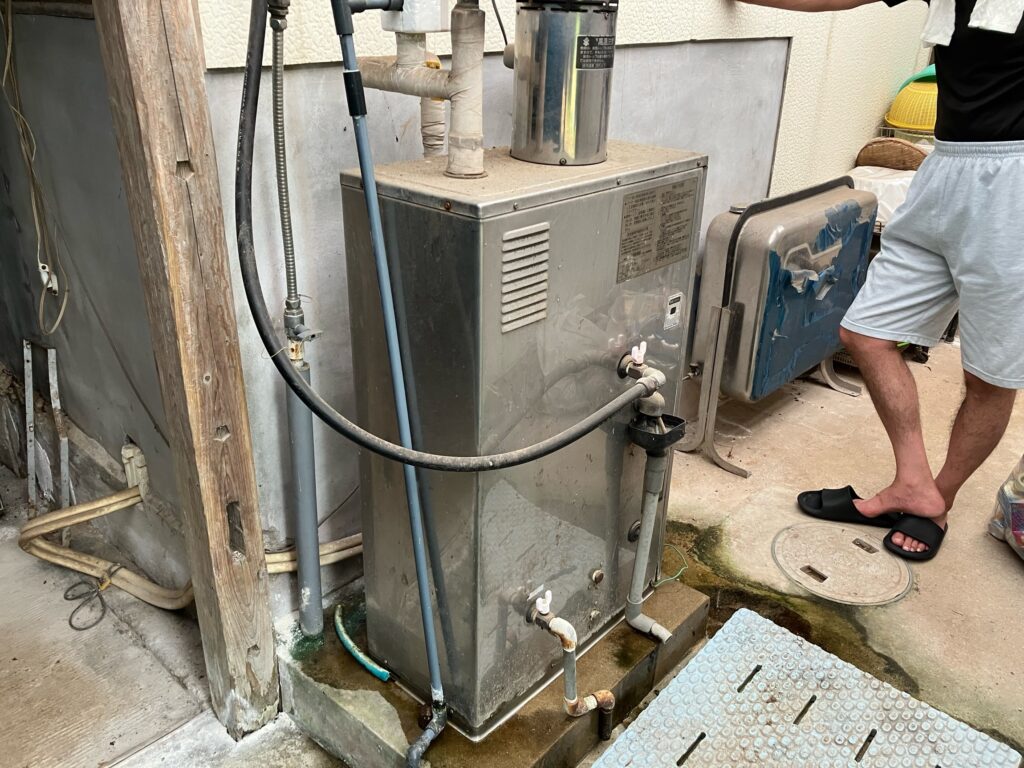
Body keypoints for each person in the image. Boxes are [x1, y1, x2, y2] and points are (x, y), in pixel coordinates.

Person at [742, 0, 1024, 560]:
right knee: (866, 332)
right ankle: (913, 484)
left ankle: (937, 501)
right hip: (944, 165)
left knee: (990, 374)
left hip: (1014, 179)